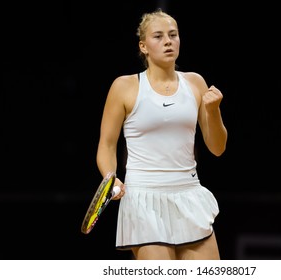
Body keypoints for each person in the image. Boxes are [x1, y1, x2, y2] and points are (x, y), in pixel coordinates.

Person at [95, 8, 228, 260]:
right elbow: (107, 145)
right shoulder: (124, 86)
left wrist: (213, 111)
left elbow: (217, 148)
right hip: (143, 198)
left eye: (173, 34)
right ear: (143, 46)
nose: (168, 41)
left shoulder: (195, 83)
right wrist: (110, 178)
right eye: (158, 36)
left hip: (189, 195)